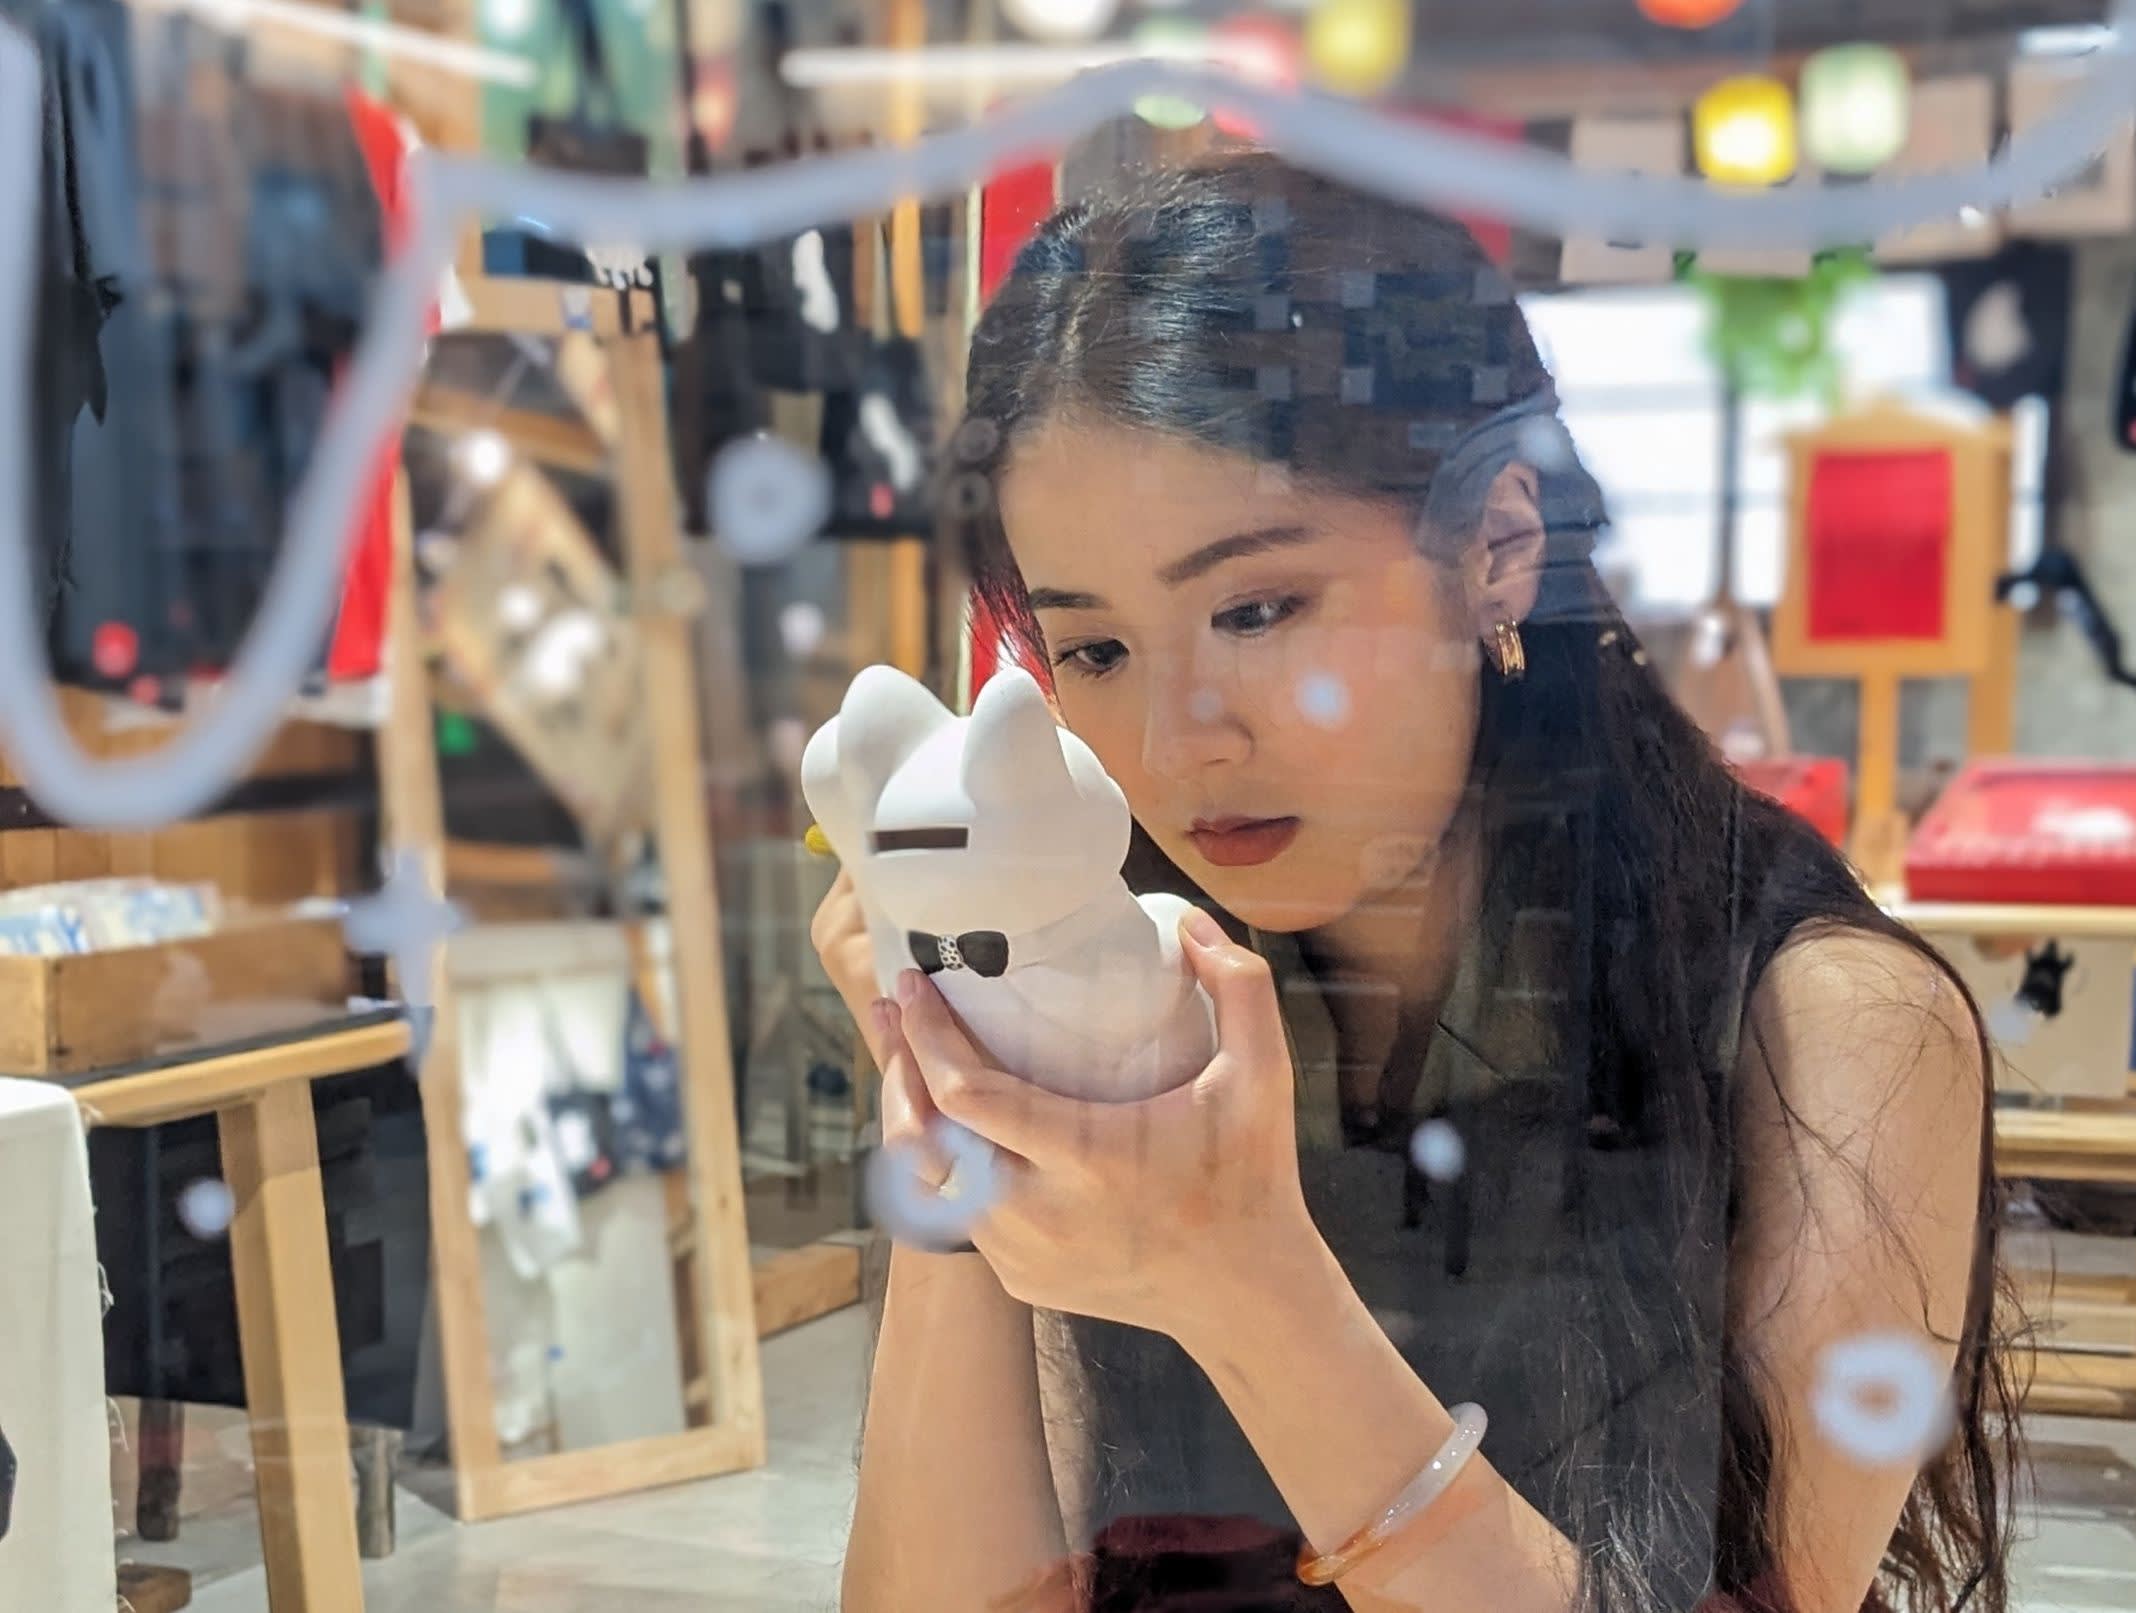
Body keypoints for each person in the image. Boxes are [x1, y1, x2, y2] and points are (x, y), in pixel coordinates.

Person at [819, 154, 2017, 1613]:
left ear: (1498, 546)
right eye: (1098, 650)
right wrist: (957, 1092)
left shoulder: (1830, 1027)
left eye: (1258, 608)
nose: (1177, 744)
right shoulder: (1121, 964)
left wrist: (1242, 1288)